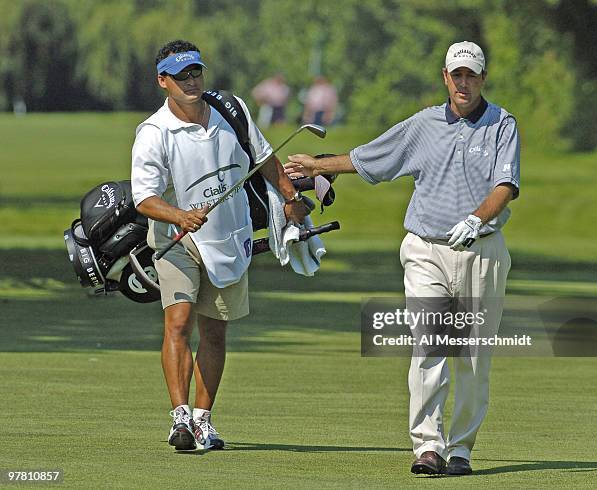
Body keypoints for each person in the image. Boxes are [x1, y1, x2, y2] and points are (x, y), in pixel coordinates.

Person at [285, 41, 519, 476]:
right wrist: (320, 167)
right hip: (425, 250)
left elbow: (505, 185)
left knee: (471, 356)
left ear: (482, 78)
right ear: (445, 78)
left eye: (472, 75)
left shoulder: (502, 124)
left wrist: (476, 218)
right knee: (428, 344)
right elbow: (373, 156)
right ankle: (428, 446)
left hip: (481, 252)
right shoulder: (424, 123)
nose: (463, 82)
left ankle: (462, 450)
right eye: (457, 75)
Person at [131, 40, 309, 451]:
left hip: (230, 236)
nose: (191, 82)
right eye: (180, 76)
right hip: (177, 239)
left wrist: (289, 199)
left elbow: (265, 158)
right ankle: (179, 419)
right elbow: (145, 198)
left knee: (215, 332)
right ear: (163, 81)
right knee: (178, 324)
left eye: (195, 72)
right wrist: (180, 216)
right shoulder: (154, 132)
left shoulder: (232, 110)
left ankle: (203, 420)